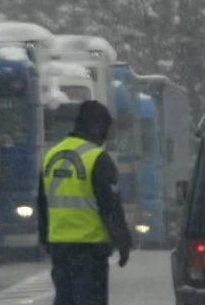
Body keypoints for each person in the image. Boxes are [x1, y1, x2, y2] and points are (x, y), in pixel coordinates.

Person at [36, 100, 133, 305]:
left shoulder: (51, 156)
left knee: (65, 298)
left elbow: (42, 204)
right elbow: (111, 207)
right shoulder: (98, 159)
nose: (105, 137)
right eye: (105, 129)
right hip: (90, 249)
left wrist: (46, 239)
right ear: (95, 125)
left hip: (59, 247)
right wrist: (122, 242)